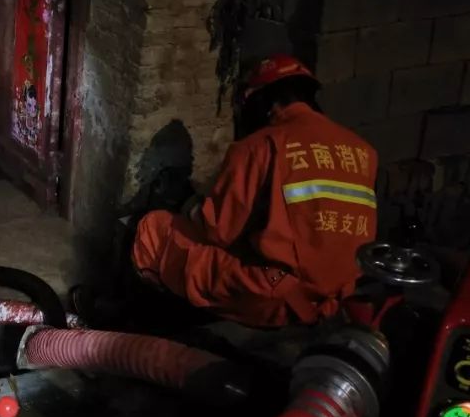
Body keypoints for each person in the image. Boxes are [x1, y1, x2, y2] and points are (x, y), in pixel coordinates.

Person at [129, 54, 379, 328]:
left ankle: (158, 323)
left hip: (279, 297)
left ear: (266, 103)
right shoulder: (362, 151)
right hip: (336, 299)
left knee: (153, 229)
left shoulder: (260, 146)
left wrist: (188, 202)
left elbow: (218, 230)